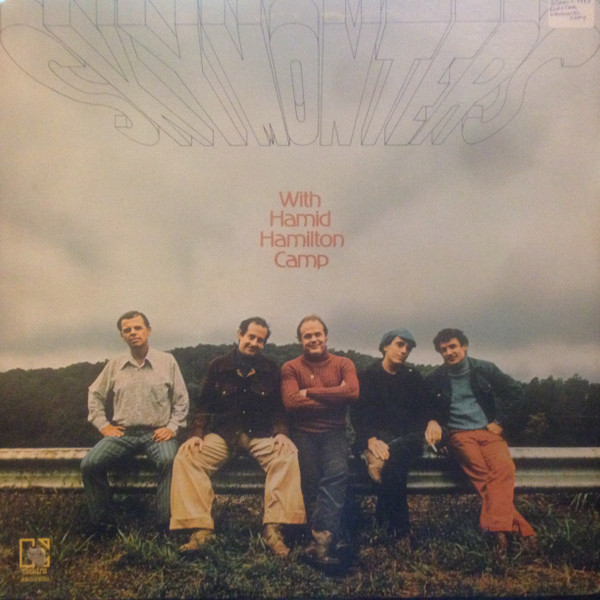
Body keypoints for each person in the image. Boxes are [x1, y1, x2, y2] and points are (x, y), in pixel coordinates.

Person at [169, 317, 305, 557]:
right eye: (250, 337)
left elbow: (278, 408)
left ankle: (274, 530)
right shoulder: (218, 366)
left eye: (260, 340)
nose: (254, 343)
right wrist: (196, 434)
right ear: (240, 334)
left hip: (259, 434)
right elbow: (204, 405)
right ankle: (200, 529)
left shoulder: (270, 369)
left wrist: (281, 433)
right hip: (224, 434)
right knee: (187, 457)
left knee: (287, 455)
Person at [424, 328, 535, 552]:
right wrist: (432, 422)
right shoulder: (434, 379)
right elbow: (422, 407)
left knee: (504, 470)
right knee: (484, 477)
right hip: (458, 435)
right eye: (444, 350)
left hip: (489, 432)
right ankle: (521, 532)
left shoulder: (485, 369)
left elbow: (517, 392)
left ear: (464, 346)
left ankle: (499, 530)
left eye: (453, 346)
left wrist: (501, 421)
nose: (449, 352)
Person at [81, 311, 189, 532]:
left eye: (138, 328)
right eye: (127, 330)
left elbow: (181, 399)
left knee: (169, 461)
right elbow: (95, 394)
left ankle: (165, 525)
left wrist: (172, 427)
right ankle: (104, 524)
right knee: (90, 464)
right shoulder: (115, 364)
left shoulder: (167, 361)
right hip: (123, 434)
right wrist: (103, 425)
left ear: (148, 330)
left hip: (157, 433)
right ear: (122, 336)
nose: (133, 333)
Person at [281, 315, 359, 569]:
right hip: (302, 432)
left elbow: (352, 392)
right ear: (300, 340)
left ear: (326, 336)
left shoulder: (343, 363)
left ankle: (321, 540)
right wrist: (335, 398)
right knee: (310, 480)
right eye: (307, 336)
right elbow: (292, 402)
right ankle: (328, 536)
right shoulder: (291, 368)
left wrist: (310, 392)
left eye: (317, 334)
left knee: (337, 473)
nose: (313, 339)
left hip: (334, 432)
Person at [351, 328, 430, 541]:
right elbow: (358, 414)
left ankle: (388, 526)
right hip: (376, 436)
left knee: (393, 454)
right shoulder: (367, 376)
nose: (404, 351)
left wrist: (429, 423)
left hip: (407, 438)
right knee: (393, 464)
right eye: (399, 344)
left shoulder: (413, 377)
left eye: (408, 348)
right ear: (385, 346)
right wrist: (370, 439)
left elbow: (423, 411)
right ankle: (399, 530)